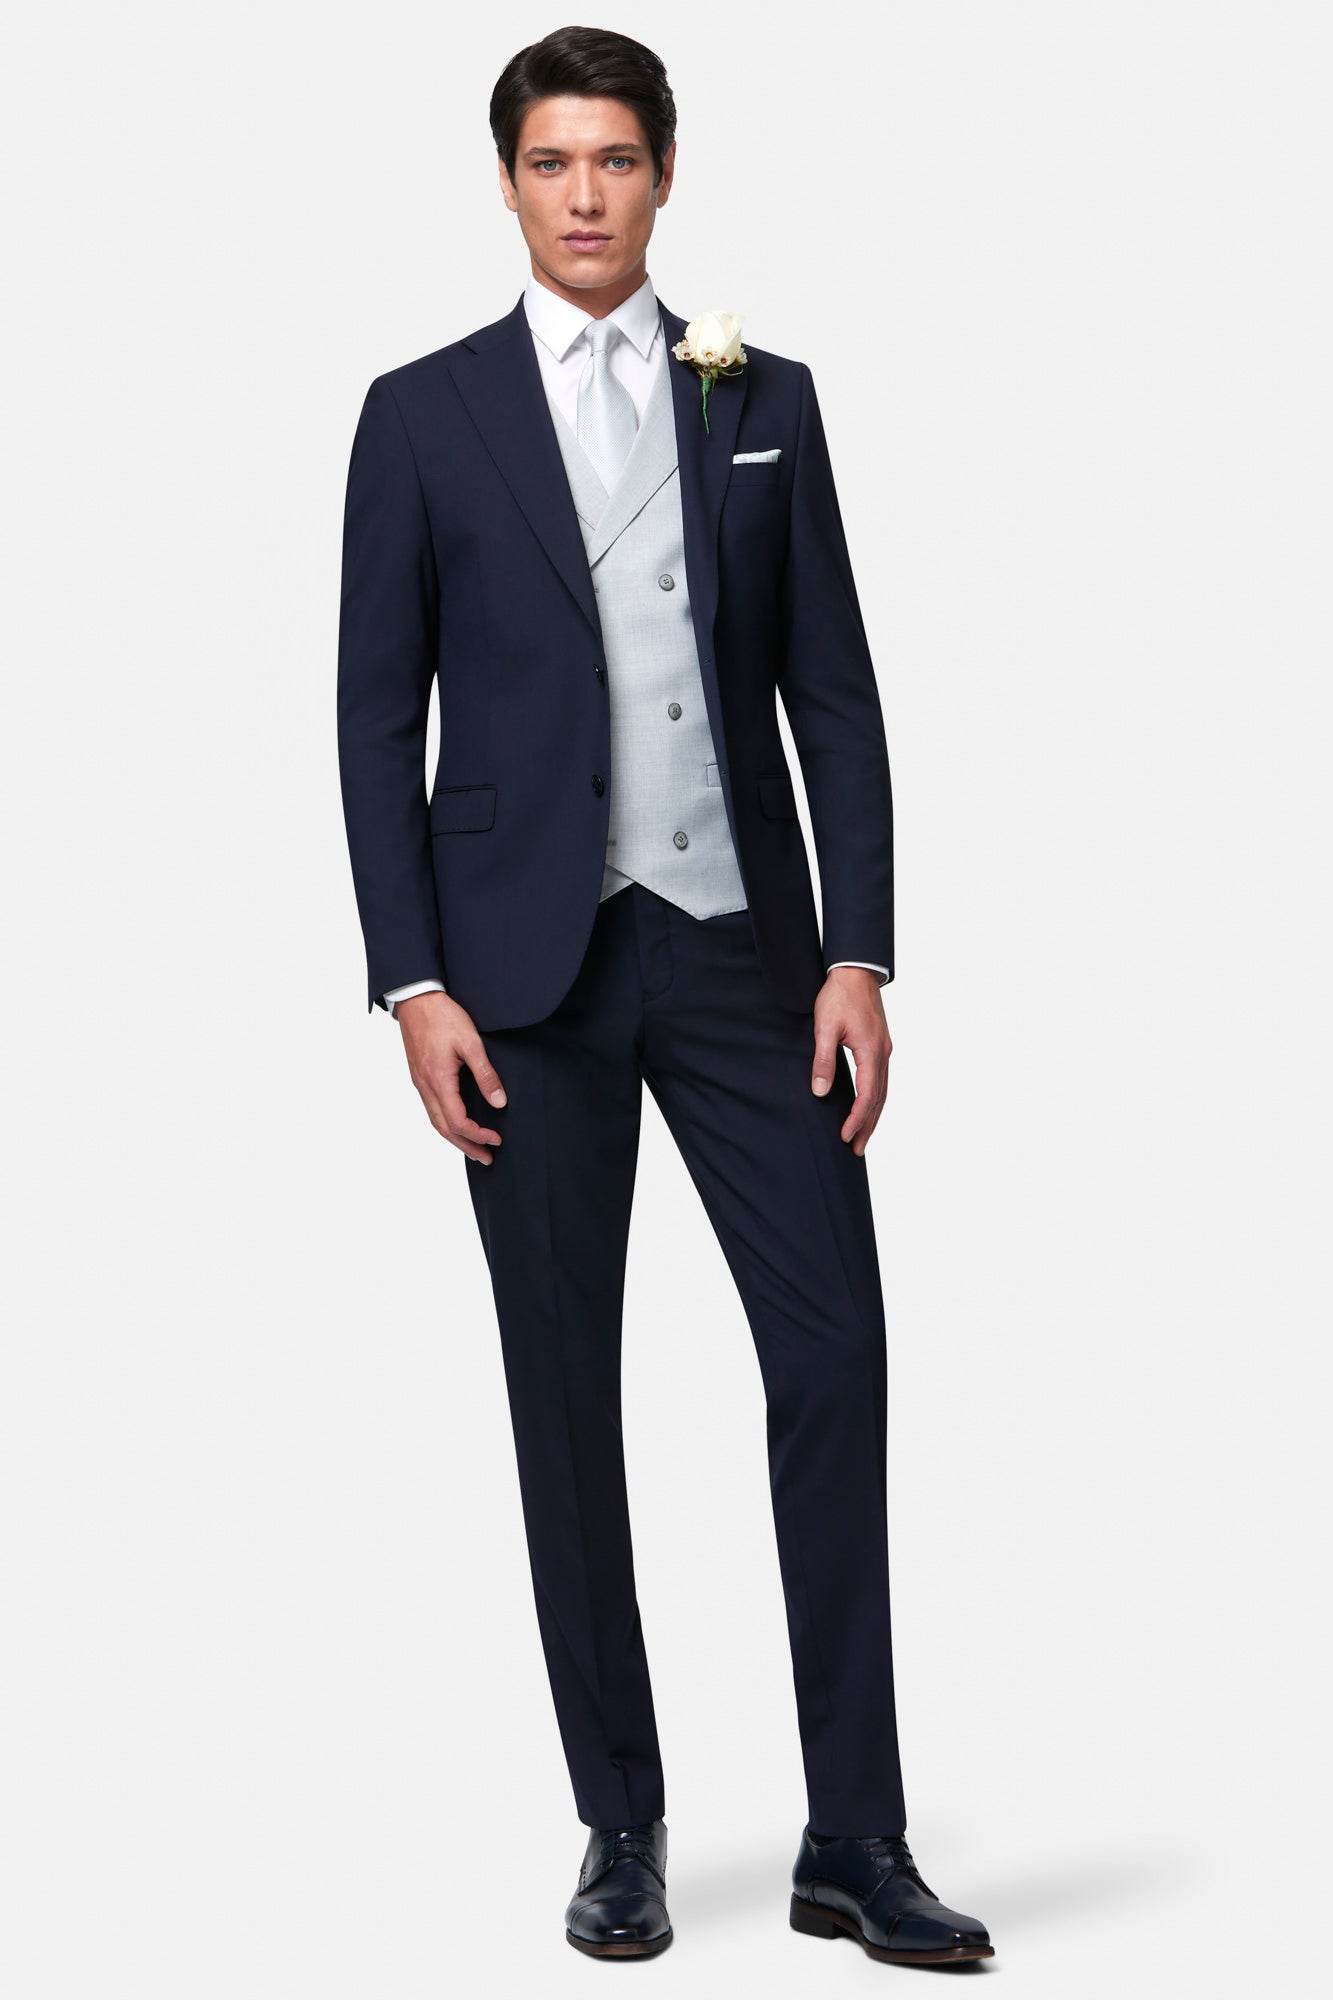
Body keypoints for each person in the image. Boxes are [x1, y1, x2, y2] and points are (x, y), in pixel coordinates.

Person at [336, 23, 992, 1968]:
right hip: (518, 978)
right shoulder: (420, 416)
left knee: (834, 1355)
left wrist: (858, 951)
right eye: (552, 162)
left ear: (665, 172)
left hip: (736, 952)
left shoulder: (760, 394)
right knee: (563, 1393)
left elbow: (835, 694)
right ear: (508, 184)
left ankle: (852, 1834)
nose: (586, 193)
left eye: (615, 158)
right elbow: (374, 720)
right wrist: (412, 979)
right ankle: (618, 1822)